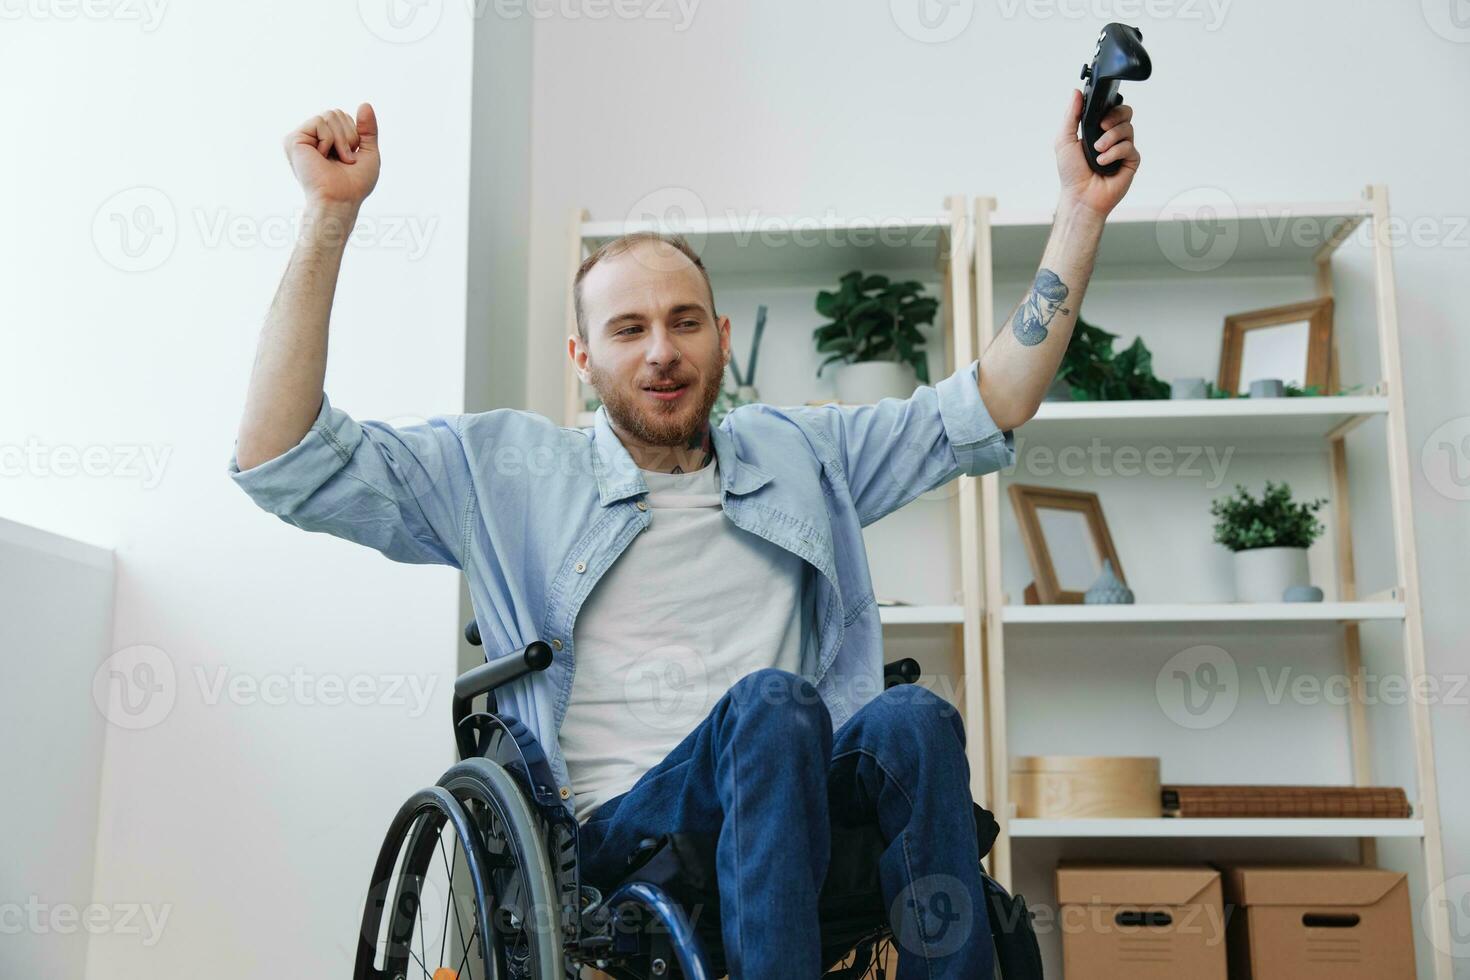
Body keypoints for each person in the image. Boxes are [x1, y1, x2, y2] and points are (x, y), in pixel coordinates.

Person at [230, 93, 1139, 979]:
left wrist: (1078, 210)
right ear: (582, 358)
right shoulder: (503, 469)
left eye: (684, 322)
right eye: (629, 329)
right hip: (620, 832)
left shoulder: (803, 453)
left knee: (915, 720)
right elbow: (286, 461)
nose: (662, 350)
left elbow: (990, 401)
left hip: (800, 815)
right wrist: (328, 217)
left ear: (721, 338)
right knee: (772, 708)